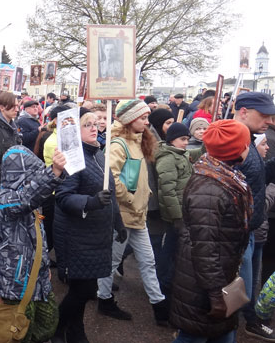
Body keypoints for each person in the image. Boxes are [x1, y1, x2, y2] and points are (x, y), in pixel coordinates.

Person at [170, 120, 252, 343]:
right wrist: (216, 293)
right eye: (246, 143)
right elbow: (205, 248)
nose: (249, 147)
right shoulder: (210, 188)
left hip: (215, 277)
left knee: (220, 333)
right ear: (236, 149)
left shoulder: (223, 176)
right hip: (202, 284)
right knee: (194, 335)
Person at [53, 108, 125, 342]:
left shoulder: (98, 154)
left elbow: (110, 193)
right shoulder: (74, 158)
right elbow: (63, 197)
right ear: (75, 131)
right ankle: (57, 326)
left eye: (96, 123)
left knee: (83, 288)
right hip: (77, 235)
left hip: (96, 235)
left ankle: (75, 330)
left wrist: (118, 222)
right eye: (88, 125)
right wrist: (90, 202)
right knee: (83, 289)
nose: (95, 127)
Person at [98, 99, 169, 325]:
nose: (147, 122)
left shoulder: (139, 141)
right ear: (129, 120)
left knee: (148, 261)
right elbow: (112, 178)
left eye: (147, 117)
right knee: (112, 260)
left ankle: (160, 307)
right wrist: (129, 200)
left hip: (138, 216)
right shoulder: (118, 145)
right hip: (123, 216)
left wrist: (143, 197)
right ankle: (104, 299)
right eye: (143, 118)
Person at [0, 145, 66, 343]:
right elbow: (26, 199)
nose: (35, 180)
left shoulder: (32, 199)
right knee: (17, 331)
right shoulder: (3, 200)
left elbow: (37, 237)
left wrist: (43, 266)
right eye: (32, 174)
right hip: (14, 282)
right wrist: (54, 172)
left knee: (47, 323)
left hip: (37, 276)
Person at [232, 92, 275, 339]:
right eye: (264, 115)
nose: (269, 121)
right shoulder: (233, 143)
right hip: (236, 234)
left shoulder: (249, 141)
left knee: (243, 290)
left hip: (250, 229)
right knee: (232, 294)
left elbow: (257, 179)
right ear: (244, 112)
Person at [154, 123, 202, 300]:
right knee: (170, 249)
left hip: (182, 212)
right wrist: (177, 217)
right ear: (171, 139)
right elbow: (167, 190)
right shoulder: (168, 158)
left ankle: (167, 281)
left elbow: (196, 153)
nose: (186, 143)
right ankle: (163, 283)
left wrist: (208, 141)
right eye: (182, 139)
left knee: (174, 248)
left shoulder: (180, 154)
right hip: (176, 215)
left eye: (188, 139)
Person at [0, 92, 23, 193]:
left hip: (12, 181)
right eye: (13, 106)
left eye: (17, 106)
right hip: (0, 185)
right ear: (2, 107)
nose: (17, 109)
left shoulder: (12, 125)